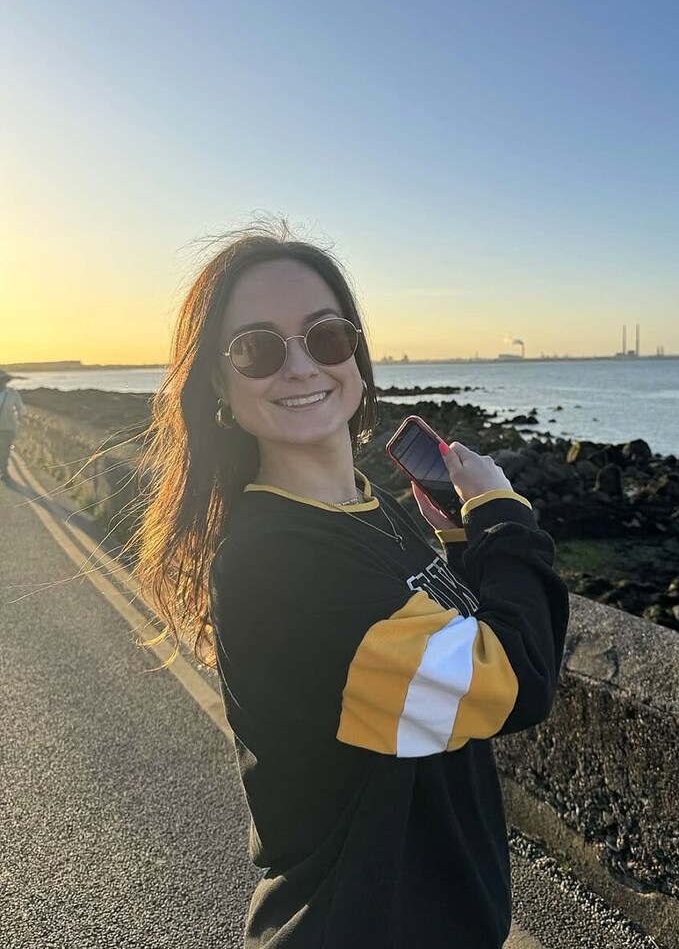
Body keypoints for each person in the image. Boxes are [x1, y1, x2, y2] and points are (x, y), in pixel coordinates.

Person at [129, 220, 569, 949]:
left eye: (326, 337)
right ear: (218, 384)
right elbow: (513, 682)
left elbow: (439, 654)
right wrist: (504, 519)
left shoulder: (371, 508)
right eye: (258, 349)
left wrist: (462, 546)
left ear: (356, 356)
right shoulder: (276, 564)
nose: (301, 367)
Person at [0, 369, 25, 484]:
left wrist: (20, 420)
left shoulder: (12, 394)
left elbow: (20, 408)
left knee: (4, 451)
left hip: (8, 428)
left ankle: (4, 472)